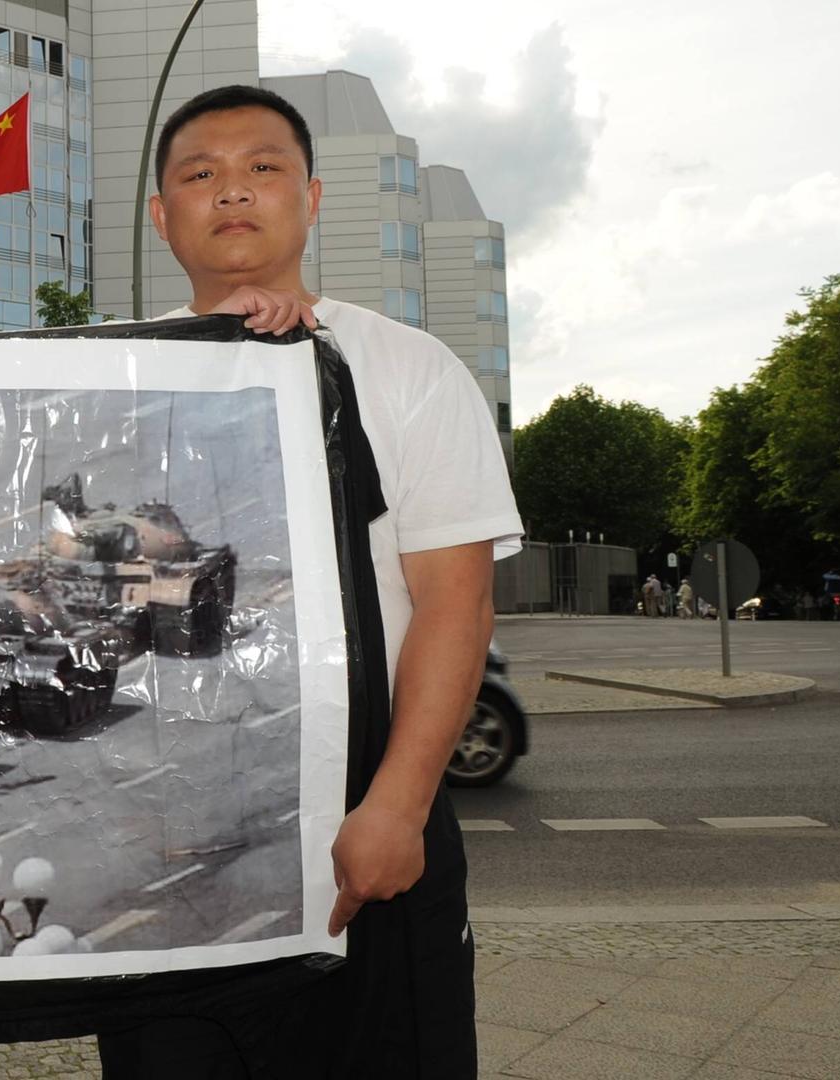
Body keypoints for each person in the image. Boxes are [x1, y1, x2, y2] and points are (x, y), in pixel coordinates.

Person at [96, 85, 521, 1078]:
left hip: (367, 827)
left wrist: (397, 808)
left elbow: (455, 602)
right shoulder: (114, 381)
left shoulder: (409, 370)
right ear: (163, 217)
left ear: (312, 198)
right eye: (200, 175)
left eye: (263, 168)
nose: (231, 191)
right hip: (174, 842)